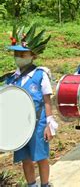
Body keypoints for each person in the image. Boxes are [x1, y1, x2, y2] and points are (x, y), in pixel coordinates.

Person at [5, 25, 58, 187]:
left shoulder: (40, 75)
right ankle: (31, 184)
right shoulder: (11, 79)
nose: (19, 57)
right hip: (20, 125)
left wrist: (49, 123)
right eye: (16, 54)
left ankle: (45, 184)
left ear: (32, 56)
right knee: (25, 158)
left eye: (23, 54)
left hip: (39, 122)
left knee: (41, 156)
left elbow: (47, 100)